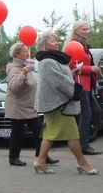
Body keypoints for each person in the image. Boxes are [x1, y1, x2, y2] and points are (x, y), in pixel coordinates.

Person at [33, 31, 97, 175]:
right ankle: (82, 163)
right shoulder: (47, 61)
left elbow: (60, 77)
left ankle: (40, 161)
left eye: (56, 40)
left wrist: (72, 74)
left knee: (49, 134)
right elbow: (58, 81)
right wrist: (75, 89)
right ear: (45, 44)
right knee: (72, 134)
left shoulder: (53, 59)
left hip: (57, 103)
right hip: (58, 104)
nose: (57, 43)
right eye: (53, 41)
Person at [5, 42, 58, 166]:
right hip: (17, 108)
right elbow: (14, 87)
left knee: (40, 131)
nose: (27, 53)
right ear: (17, 54)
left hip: (29, 107)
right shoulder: (14, 69)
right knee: (17, 134)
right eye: (24, 51)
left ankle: (43, 156)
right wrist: (23, 73)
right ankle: (13, 158)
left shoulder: (26, 65)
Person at [68, 20, 102, 155]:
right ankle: (84, 146)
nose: (87, 31)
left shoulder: (84, 45)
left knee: (96, 112)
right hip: (80, 84)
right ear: (76, 31)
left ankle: (85, 140)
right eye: (83, 29)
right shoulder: (72, 45)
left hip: (88, 85)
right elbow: (72, 66)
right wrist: (91, 68)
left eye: (88, 29)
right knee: (86, 114)